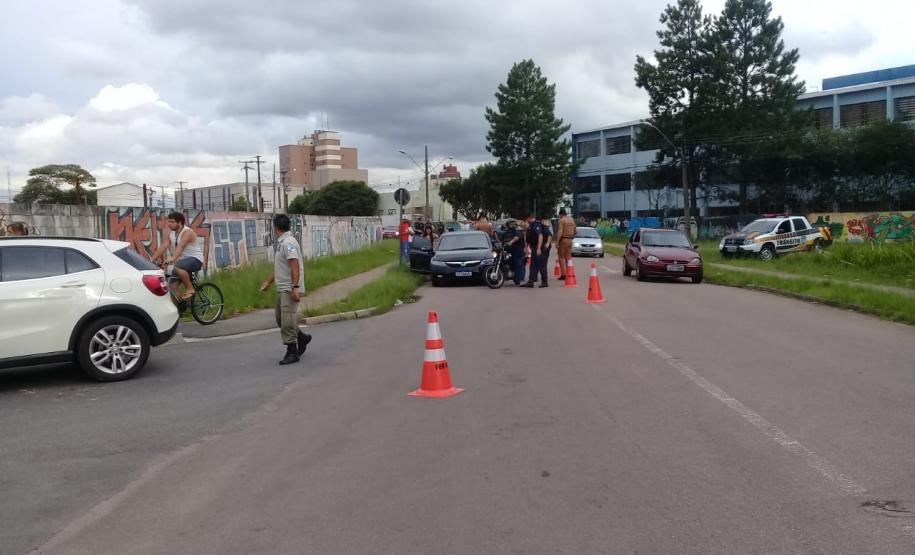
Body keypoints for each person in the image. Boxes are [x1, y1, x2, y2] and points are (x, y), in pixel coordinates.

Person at [260, 214, 311, 365]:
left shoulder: (288, 243)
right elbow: (281, 267)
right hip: (283, 287)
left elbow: (294, 265)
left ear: (275, 227)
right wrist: (269, 282)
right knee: (280, 318)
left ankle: (292, 351)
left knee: (287, 319)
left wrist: (295, 288)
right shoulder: (283, 242)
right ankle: (301, 338)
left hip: (289, 288)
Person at [151, 212, 204, 302]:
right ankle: (179, 309)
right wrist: (152, 259)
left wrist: (172, 258)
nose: (169, 224)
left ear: (179, 223)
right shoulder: (171, 234)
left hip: (195, 260)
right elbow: (164, 246)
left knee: (178, 266)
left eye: (172, 222)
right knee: (172, 286)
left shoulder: (187, 232)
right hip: (182, 263)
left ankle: (190, 289)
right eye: (168, 222)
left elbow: (181, 246)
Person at [522, 213, 544, 288]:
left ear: (529, 218)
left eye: (526, 219)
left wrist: (538, 248)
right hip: (533, 247)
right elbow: (529, 237)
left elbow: (540, 236)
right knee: (533, 264)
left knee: (539, 264)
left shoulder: (536, 225)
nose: (526, 221)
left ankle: (544, 281)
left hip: (537, 247)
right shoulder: (531, 225)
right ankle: (531, 281)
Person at [502, 219, 525, 285]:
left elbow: (516, 237)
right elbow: (502, 238)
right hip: (509, 251)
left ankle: (519, 280)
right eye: (509, 225)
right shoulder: (508, 231)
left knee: (518, 264)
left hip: (518, 251)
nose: (510, 226)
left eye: (511, 224)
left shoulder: (518, 230)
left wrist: (511, 242)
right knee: (508, 262)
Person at [555, 208, 576, 281]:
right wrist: (571, 236)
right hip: (570, 240)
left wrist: (557, 242)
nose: (559, 217)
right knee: (568, 257)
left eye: (559, 216)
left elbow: (560, 231)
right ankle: (569, 273)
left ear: (561, 215)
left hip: (563, 240)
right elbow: (576, 231)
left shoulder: (562, 220)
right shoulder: (572, 220)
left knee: (561, 257)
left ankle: (563, 274)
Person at [536, 217, 553, 287]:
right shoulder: (535, 226)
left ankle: (544, 281)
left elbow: (549, 235)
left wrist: (547, 243)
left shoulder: (543, 227)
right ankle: (533, 277)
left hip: (544, 248)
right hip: (539, 247)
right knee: (537, 263)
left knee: (542, 263)